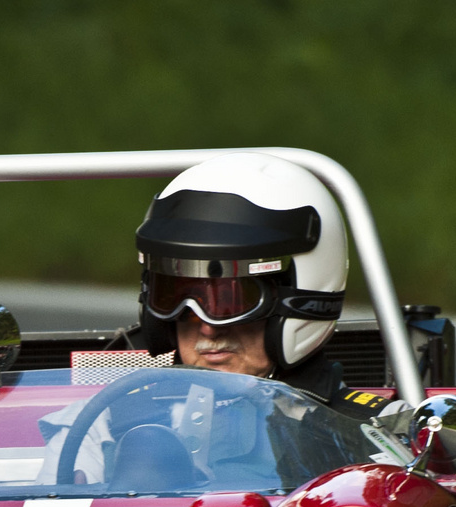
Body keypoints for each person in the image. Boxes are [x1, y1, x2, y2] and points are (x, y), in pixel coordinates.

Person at [135, 152, 389, 419]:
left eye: (231, 301)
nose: (208, 329)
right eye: (174, 298)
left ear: (301, 298)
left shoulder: (381, 434)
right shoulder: (110, 422)